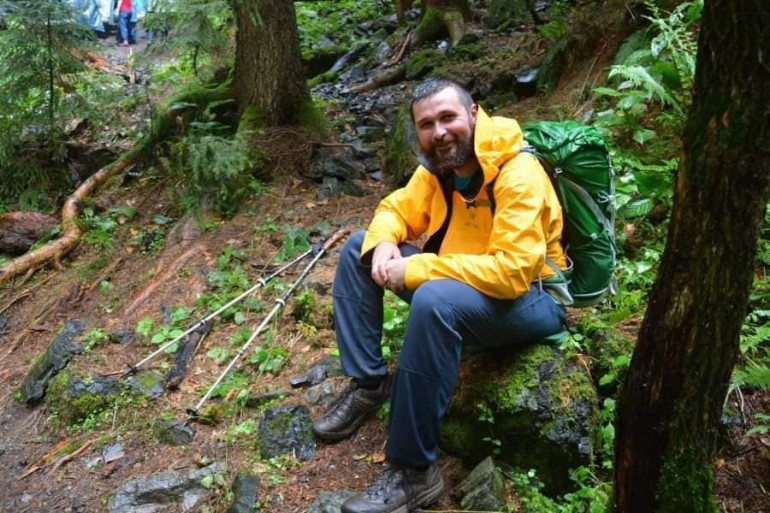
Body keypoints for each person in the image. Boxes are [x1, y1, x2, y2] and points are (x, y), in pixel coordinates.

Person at [312, 77, 568, 513]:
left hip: (533, 297)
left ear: (473, 114)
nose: (439, 132)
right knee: (360, 247)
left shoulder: (518, 174)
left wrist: (416, 268)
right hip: (467, 288)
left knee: (434, 300)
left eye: (448, 117)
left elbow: (511, 274)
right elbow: (395, 208)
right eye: (427, 124)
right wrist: (386, 242)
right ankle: (370, 385)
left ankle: (414, 472)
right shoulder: (439, 170)